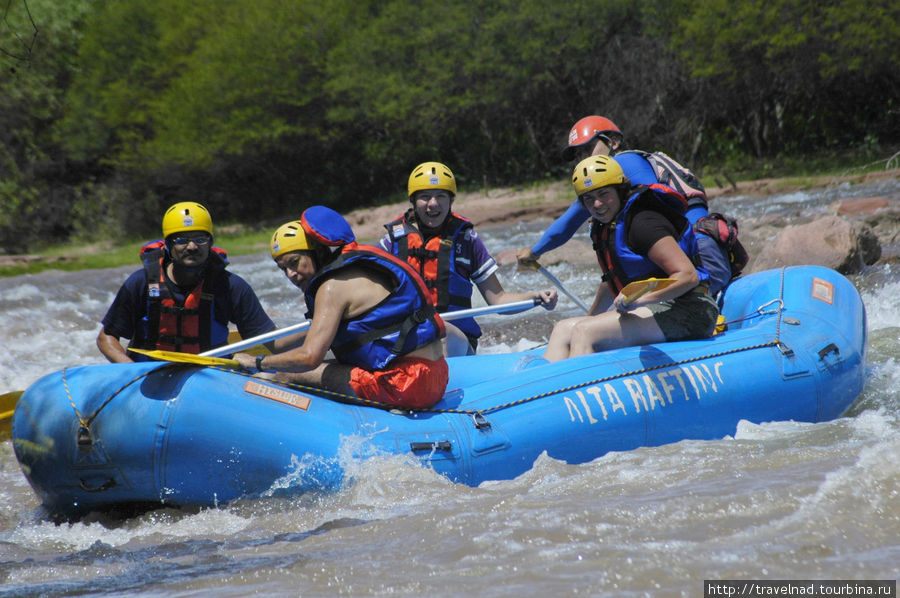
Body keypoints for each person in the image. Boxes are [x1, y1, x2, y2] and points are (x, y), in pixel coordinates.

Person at [233, 206, 448, 410]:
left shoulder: (331, 288)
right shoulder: (356, 270)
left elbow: (309, 357)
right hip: (437, 374)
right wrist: (268, 343)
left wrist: (257, 362)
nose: (291, 274)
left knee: (280, 375)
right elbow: (303, 339)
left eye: (295, 262)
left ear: (317, 252)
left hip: (406, 384)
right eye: (283, 269)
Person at [516, 115, 735, 296]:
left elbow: (568, 223)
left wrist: (534, 251)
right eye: (578, 154)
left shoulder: (622, 165)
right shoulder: (628, 169)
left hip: (700, 255)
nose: (583, 159)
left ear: (613, 142)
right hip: (698, 250)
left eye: (588, 149)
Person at [543, 155, 719, 362]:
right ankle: (546, 391)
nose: (597, 204)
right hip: (653, 310)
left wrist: (641, 300)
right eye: (588, 199)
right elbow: (611, 281)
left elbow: (688, 276)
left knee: (585, 332)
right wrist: (592, 318)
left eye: (603, 194)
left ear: (619, 191)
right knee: (564, 329)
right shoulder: (607, 225)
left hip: (690, 310)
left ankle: (576, 391)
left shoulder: (643, 224)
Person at [380, 161, 558, 356]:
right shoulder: (391, 242)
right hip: (408, 339)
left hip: (454, 339)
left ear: (451, 200)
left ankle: (442, 384)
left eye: (441, 196)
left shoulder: (467, 241)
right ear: (413, 202)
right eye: (424, 197)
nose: (433, 203)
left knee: (440, 331)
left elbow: (498, 300)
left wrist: (536, 297)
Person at [97, 201, 277, 362]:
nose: (192, 247)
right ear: (168, 245)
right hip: (149, 374)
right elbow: (106, 337)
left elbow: (272, 341)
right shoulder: (141, 283)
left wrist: (305, 340)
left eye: (200, 239)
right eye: (182, 240)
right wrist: (131, 371)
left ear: (210, 243)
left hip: (208, 376)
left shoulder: (231, 286)